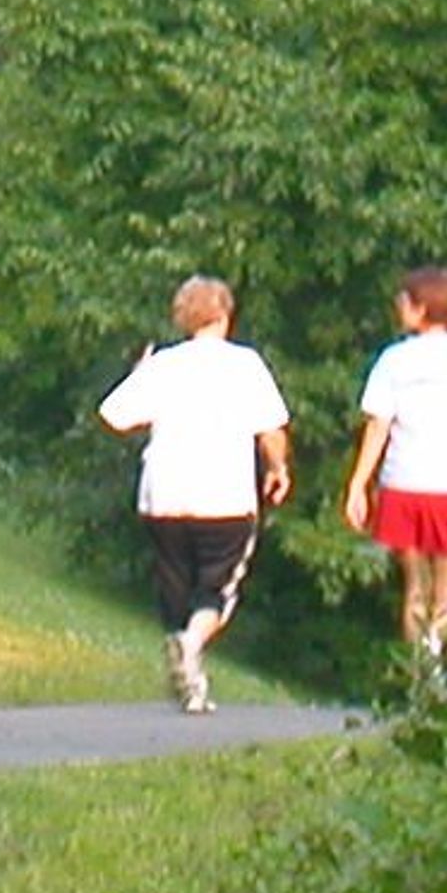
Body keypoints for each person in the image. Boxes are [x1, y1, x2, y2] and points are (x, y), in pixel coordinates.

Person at [96, 274, 291, 713]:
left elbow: (115, 415)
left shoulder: (164, 363)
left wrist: (138, 374)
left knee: (174, 581)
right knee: (216, 588)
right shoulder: (246, 365)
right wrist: (278, 469)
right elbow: (271, 431)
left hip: (164, 492)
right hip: (225, 496)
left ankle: (187, 675)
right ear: (225, 313)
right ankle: (192, 645)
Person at [339, 263, 447, 670]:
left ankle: (420, 665)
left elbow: (378, 426)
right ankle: (436, 646)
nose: (398, 308)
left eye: (404, 302)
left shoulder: (393, 360)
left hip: (401, 484)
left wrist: (358, 484)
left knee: (416, 585)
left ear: (420, 308)